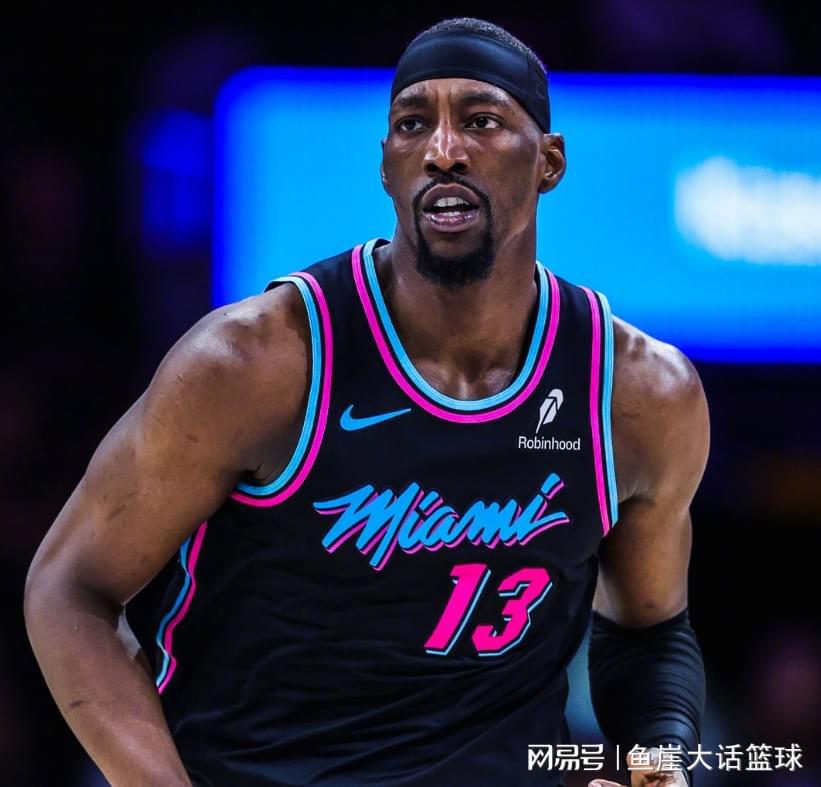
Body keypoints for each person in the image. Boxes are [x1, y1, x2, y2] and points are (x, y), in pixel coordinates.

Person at [23, 16, 708, 787]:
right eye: (412, 124)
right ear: (386, 165)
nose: (442, 150)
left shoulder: (637, 393)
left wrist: (662, 761)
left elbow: (649, 631)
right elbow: (69, 587)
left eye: (480, 121)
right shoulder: (256, 362)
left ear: (548, 161)